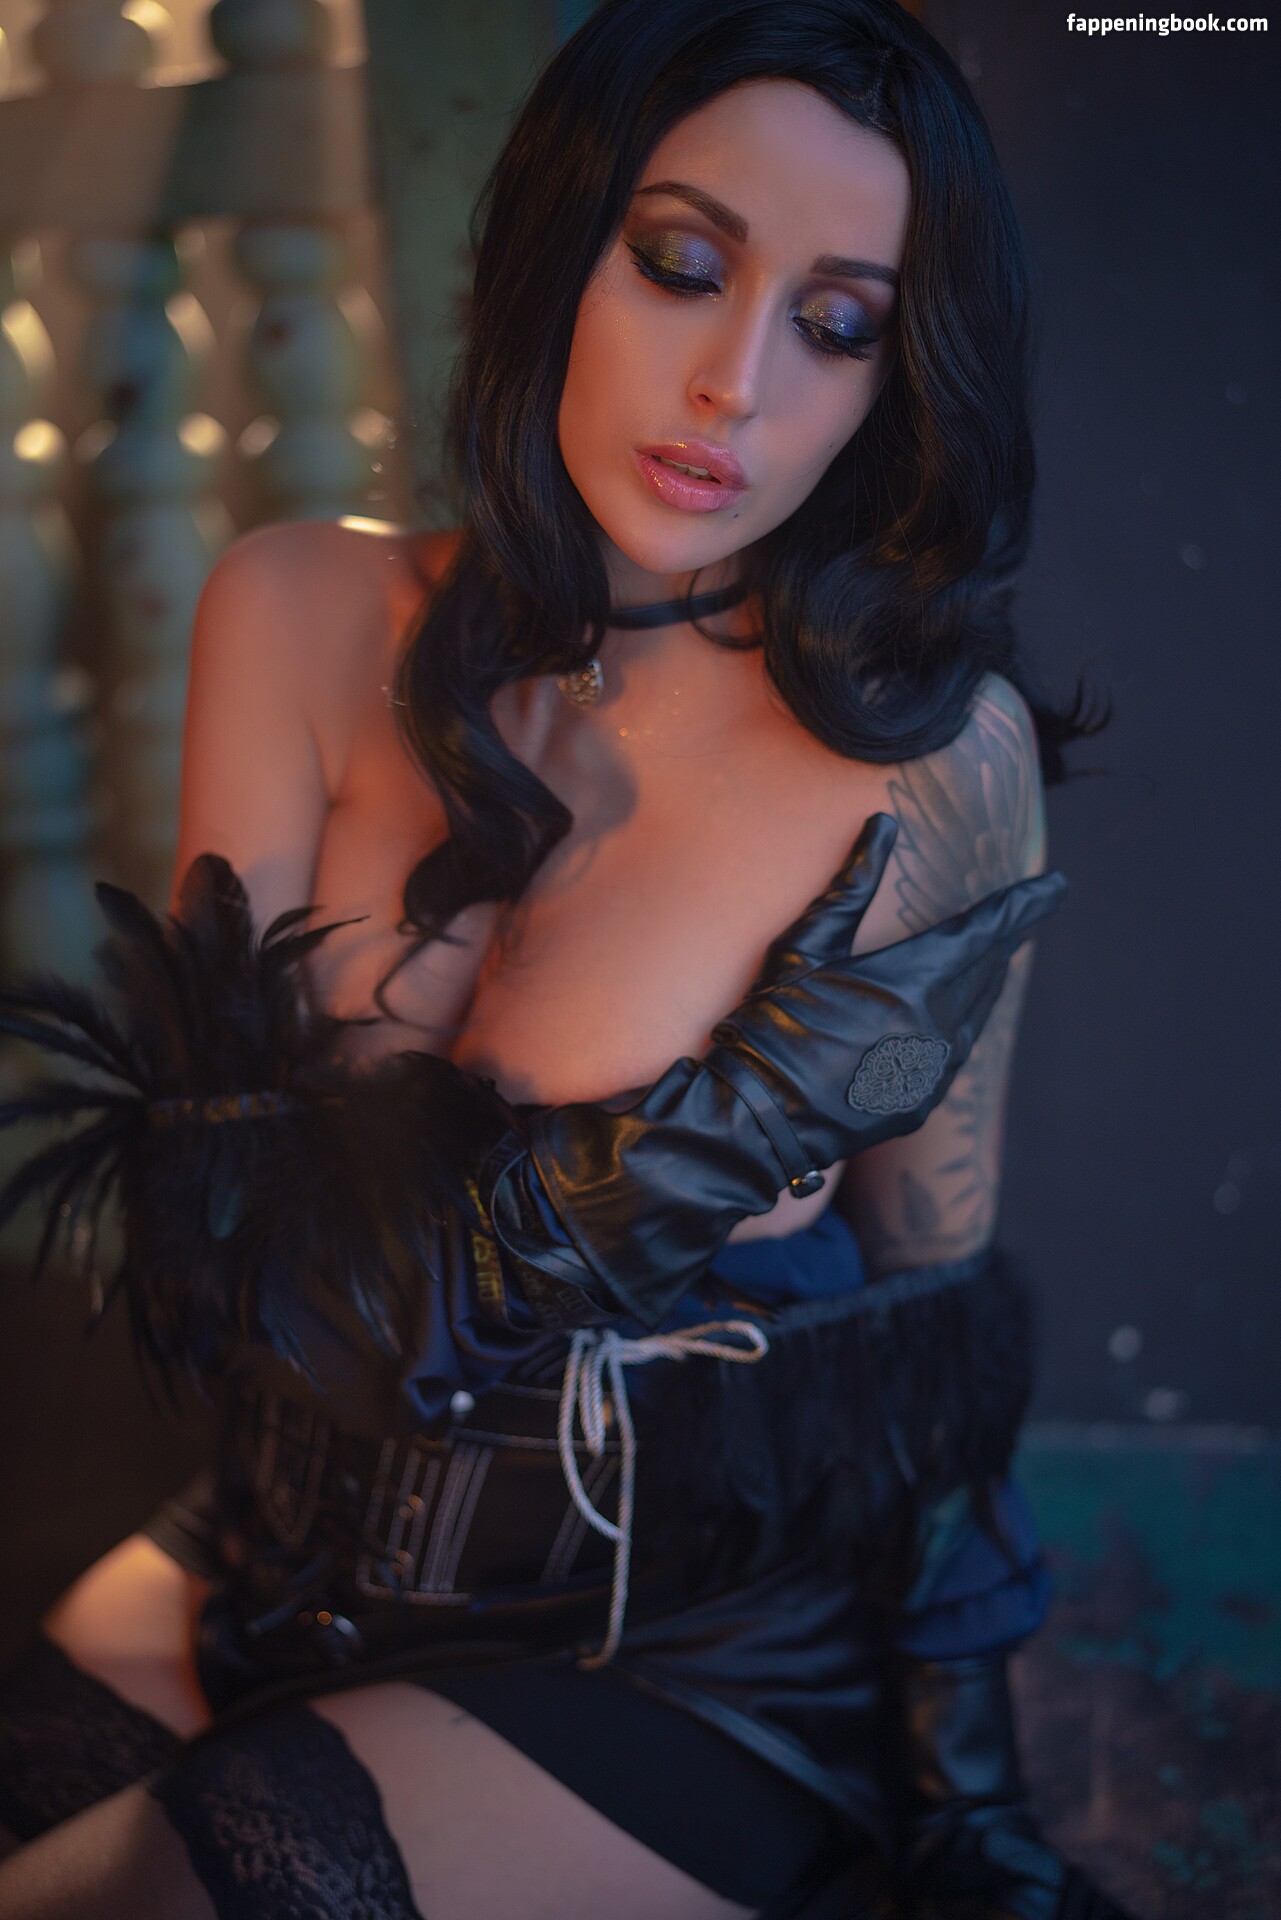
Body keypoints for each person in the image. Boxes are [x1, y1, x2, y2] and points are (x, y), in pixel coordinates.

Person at [0, 2, 1131, 1915]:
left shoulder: (925, 760)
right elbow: (218, 1240)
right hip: (280, 1540)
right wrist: (703, 1141)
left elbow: (930, 1318)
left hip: (676, 1641)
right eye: (680, 264)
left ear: (898, 380)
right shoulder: (296, 604)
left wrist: (968, 1798)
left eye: (836, 324)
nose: (733, 386)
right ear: (561, 240)